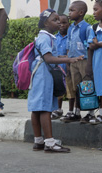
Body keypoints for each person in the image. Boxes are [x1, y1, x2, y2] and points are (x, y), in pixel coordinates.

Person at [30, 9, 83, 153]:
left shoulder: (44, 37)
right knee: (45, 108)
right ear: (46, 23)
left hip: (39, 73)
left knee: (37, 108)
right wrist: (69, 59)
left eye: (59, 19)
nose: (59, 22)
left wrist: (65, 57)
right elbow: (48, 59)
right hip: (43, 74)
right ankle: (50, 142)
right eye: (55, 20)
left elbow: (51, 56)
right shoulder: (45, 38)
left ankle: (38, 141)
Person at [60, 0, 94, 123]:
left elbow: (90, 47)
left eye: (72, 10)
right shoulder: (71, 28)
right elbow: (69, 46)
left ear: (81, 13)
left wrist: (89, 64)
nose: (69, 13)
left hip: (84, 61)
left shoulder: (87, 28)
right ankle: (77, 112)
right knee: (76, 88)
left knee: (87, 87)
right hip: (73, 62)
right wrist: (69, 62)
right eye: (69, 10)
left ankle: (91, 113)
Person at [51, 14, 70, 119]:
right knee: (58, 90)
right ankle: (58, 109)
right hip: (58, 69)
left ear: (69, 24)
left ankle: (73, 110)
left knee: (70, 90)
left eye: (64, 23)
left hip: (68, 67)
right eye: (60, 23)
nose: (62, 25)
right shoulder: (54, 37)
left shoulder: (70, 36)